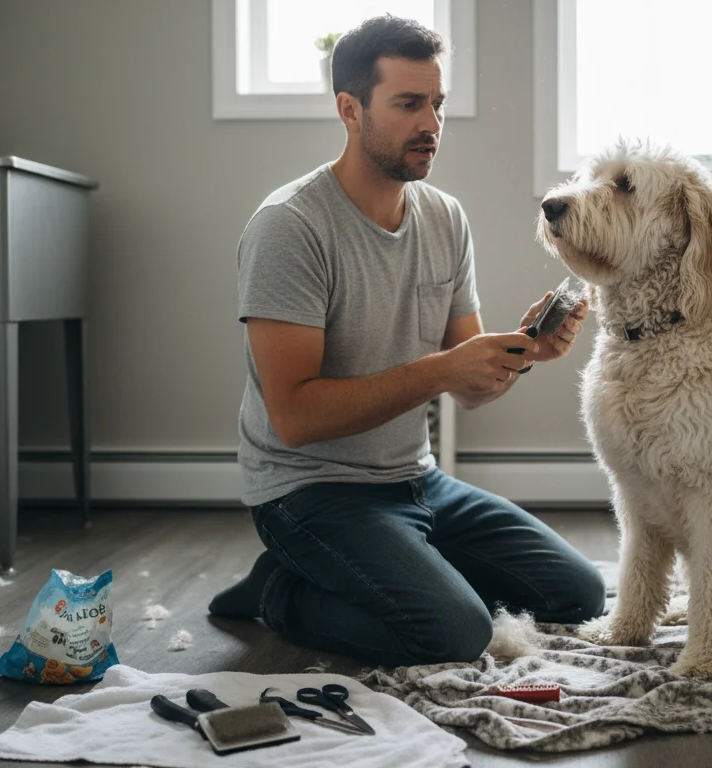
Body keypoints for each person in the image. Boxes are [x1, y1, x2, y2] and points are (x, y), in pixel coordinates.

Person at [207, 14, 606, 667]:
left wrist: (525, 355)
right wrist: (441, 371)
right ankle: (280, 590)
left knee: (579, 594)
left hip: (415, 481)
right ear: (349, 109)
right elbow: (295, 417)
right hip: (310, 491)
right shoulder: (290, 227)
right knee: (454, 634)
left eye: (438, 104)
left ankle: (398, 567)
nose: (431, 123)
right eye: (408, 104)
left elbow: (468, 389)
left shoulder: (445, 218)